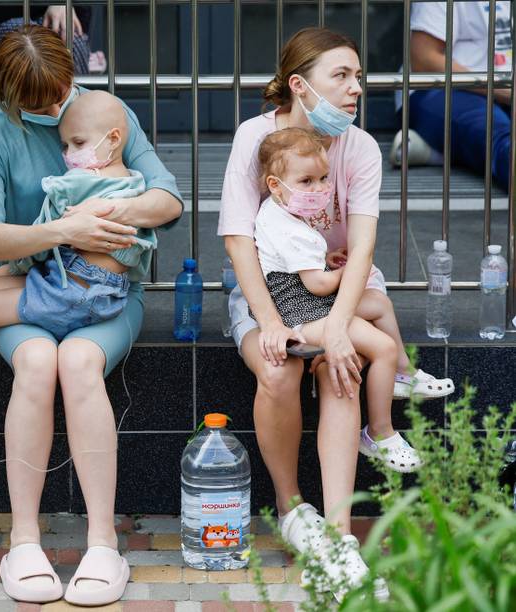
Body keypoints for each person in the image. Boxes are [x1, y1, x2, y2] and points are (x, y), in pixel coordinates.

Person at [0, 26, 181, 605]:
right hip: (31, 285)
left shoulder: (102, 112)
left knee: (78, 363)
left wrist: (110, 212)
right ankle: (23, 540)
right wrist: (62, 230)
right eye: (39, 102)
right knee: (36, 363)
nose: (56, 109)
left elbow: (167, 199)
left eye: (60, 92)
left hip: (108, 292)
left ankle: (103, 543)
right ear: (9, 95)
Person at [220, 27, 393, 601]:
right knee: (278, 370)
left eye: (358, 76)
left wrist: (338, 327)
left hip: (336, 288)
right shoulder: (254, 137)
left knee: (341, 366)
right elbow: (238, 239)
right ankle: (293, 507)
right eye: (341, 76)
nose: (356, 88)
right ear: (299, 84)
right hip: (266, 290)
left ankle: (340, 537)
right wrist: (269, 322)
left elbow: (362, 249)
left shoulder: (362, 149)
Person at [0, 89, 157, 445]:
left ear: (113, 138)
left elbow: (43, 239)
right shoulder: (135, 184)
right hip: (98, 288)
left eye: (77, 144)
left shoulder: (73, 185)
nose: (68, 155)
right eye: (65, 146)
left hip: (71, 293)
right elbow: (142, 246)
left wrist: (13, 268)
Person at [254, 127, 441, 474]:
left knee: (379, 304)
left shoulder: (278, 212)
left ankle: (403, 373)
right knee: (382, 348)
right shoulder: (289, 228)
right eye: (307, 181)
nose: (319, 188)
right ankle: (379, 432)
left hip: (309, 302)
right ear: (275, 185)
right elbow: (318, 284)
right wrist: (346, 269)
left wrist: (327, 260)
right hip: (304, 314)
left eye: (324, 178)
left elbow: (298, 263)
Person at [392, 1, 512, 192]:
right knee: (502, 139)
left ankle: (439, 151)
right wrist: (505, 91)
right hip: (440, 89)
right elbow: (423, 59)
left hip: (499, 92)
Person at [0, 5, 94, 74]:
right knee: (28, 41)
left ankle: (80, 112)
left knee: (72, 38)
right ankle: (36, 112)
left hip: (39, 9)